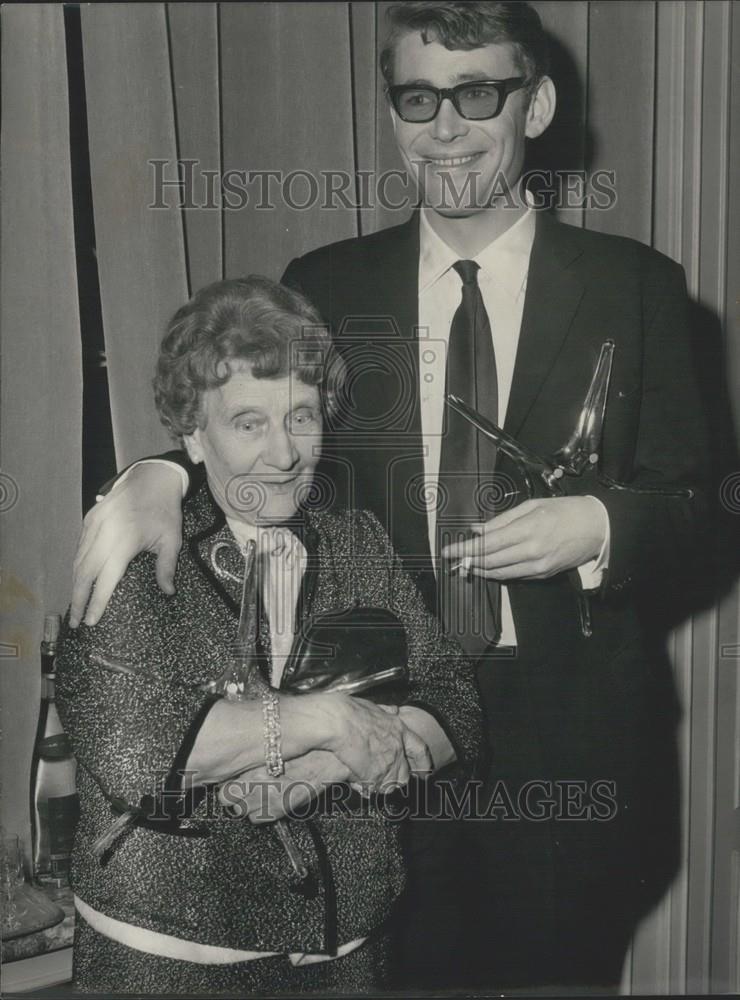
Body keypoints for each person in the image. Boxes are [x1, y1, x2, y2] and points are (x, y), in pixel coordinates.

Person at [69, 2, 710, 992]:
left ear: (533, 105)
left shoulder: (637, 288)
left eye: (476, 93)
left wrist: (598, 524)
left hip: (569, 762)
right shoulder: (322, 282)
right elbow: (255, 445)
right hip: (366, 747)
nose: (444, 127)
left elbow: (708, 510)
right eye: (417, 97)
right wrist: (158, 473)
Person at [55, 276, 482, 995]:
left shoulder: (359, 543)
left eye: (303, 418)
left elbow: (457, 708)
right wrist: (332, 720)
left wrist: (327, 766)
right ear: (193, 431)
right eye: (248, 423)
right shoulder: (135, 545)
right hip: (173, 960)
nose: (283, 454)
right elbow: (137, 750)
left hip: (348, 953)